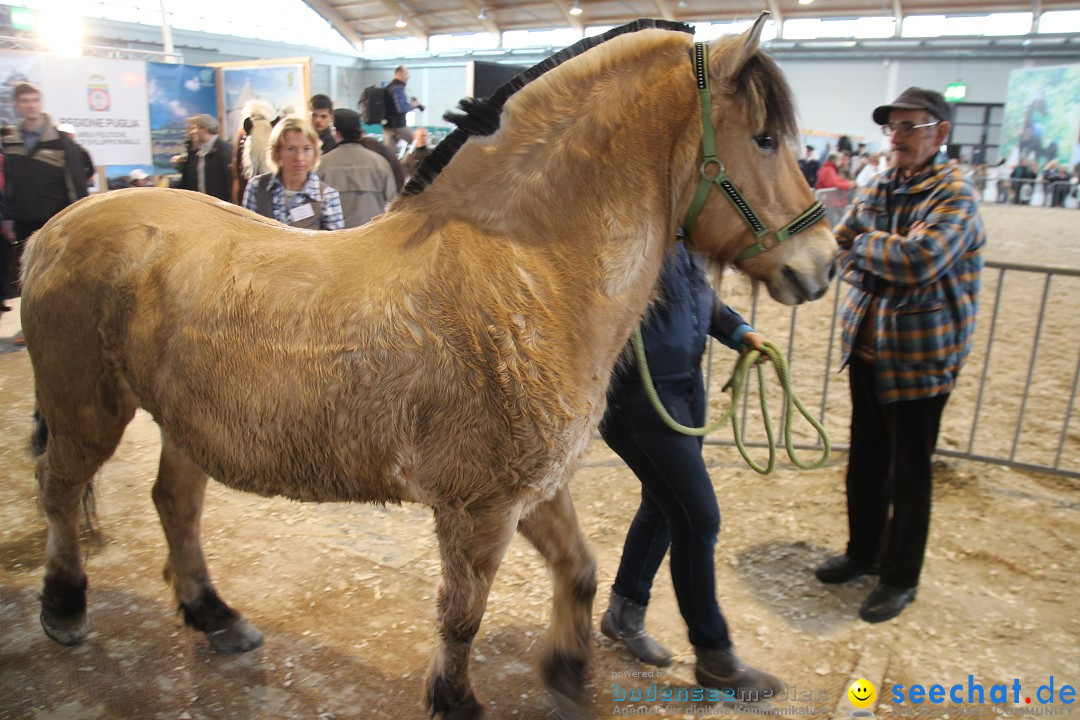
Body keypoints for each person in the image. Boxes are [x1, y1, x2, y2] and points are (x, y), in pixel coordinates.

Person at [816, 87, 985, 623]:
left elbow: (921, 260)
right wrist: (877, 245)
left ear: (940, 131)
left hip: (920, 357)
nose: (898, 138)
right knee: (864, 464)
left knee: (910, 474)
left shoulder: (955, 192)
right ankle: (862, 553)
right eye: (892, 128)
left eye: (910, 127)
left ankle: (899, 577)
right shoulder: (881, 183)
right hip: (866, 347)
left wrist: (868, 246)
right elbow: (836, 243)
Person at [599, 241, 782, 700]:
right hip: (639, 396)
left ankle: (623, 612)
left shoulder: (682, 228)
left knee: (665, 506)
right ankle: (715, 657)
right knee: (698, 521)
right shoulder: (629, 225)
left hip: (683, 386)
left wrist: (738, 330)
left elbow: (698, 293)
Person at [0, 82, 88, 323]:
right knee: (30, 276)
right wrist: (6, 216)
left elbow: (76, 181)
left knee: (62, 273)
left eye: (34, 101)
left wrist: (80, 215)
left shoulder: (60, 141)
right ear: (16, 105)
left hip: (55, 219)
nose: (31, 105)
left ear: (41, 104)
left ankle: (70, 319)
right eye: (25, 101)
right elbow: (6, 182)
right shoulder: (9, 142)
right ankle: (37, 324)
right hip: (23, 221)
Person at [242, 115, 344, 230]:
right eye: (291, 149)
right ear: (277, 151)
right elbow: (245, 236)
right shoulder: (257, 187)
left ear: (315, 151)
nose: (299, 158)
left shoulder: (327, 196)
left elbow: (335, 246)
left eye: (306, 149)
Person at [317, 109, 396, 228]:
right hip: (372, 236)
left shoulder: (322, 164)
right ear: (359, 133)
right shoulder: (379, 163)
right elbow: (393, 205)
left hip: (336, 239)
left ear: (336, 133)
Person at [179, 113, 233, 202]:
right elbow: (188, 180)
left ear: (204, 128)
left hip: (219, 207)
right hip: (201, 206)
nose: (193, 132)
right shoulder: (198, 152)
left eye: (195, 128)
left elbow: (230, 181)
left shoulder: (224, 150)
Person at [383, 65, 423, 153]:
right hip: (398, 126)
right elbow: (401, 109)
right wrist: (413, 105)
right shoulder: (397, 88)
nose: (408, 76)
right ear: (399, 74)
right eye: (406, 74)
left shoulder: (389, 87)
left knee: (390, 154)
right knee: (419, 143)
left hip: (388, 126)